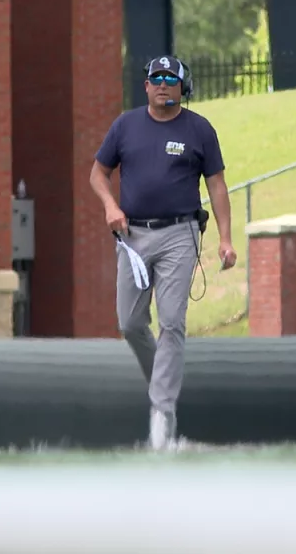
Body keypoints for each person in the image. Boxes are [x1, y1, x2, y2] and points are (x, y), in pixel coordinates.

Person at [89, 55, 237, 451]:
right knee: (129, 322)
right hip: (133, 235)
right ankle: (161, 383)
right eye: (156, 77)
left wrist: (225, 239)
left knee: (172, 321)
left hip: (179, 233)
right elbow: (98, 173)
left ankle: (161, 413)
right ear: (146, 85)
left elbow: (218, 186)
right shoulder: (125, 125)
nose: (162, 84)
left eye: (171, 78)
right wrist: (110, 206)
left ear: (183, 87)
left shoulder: (199, 129)